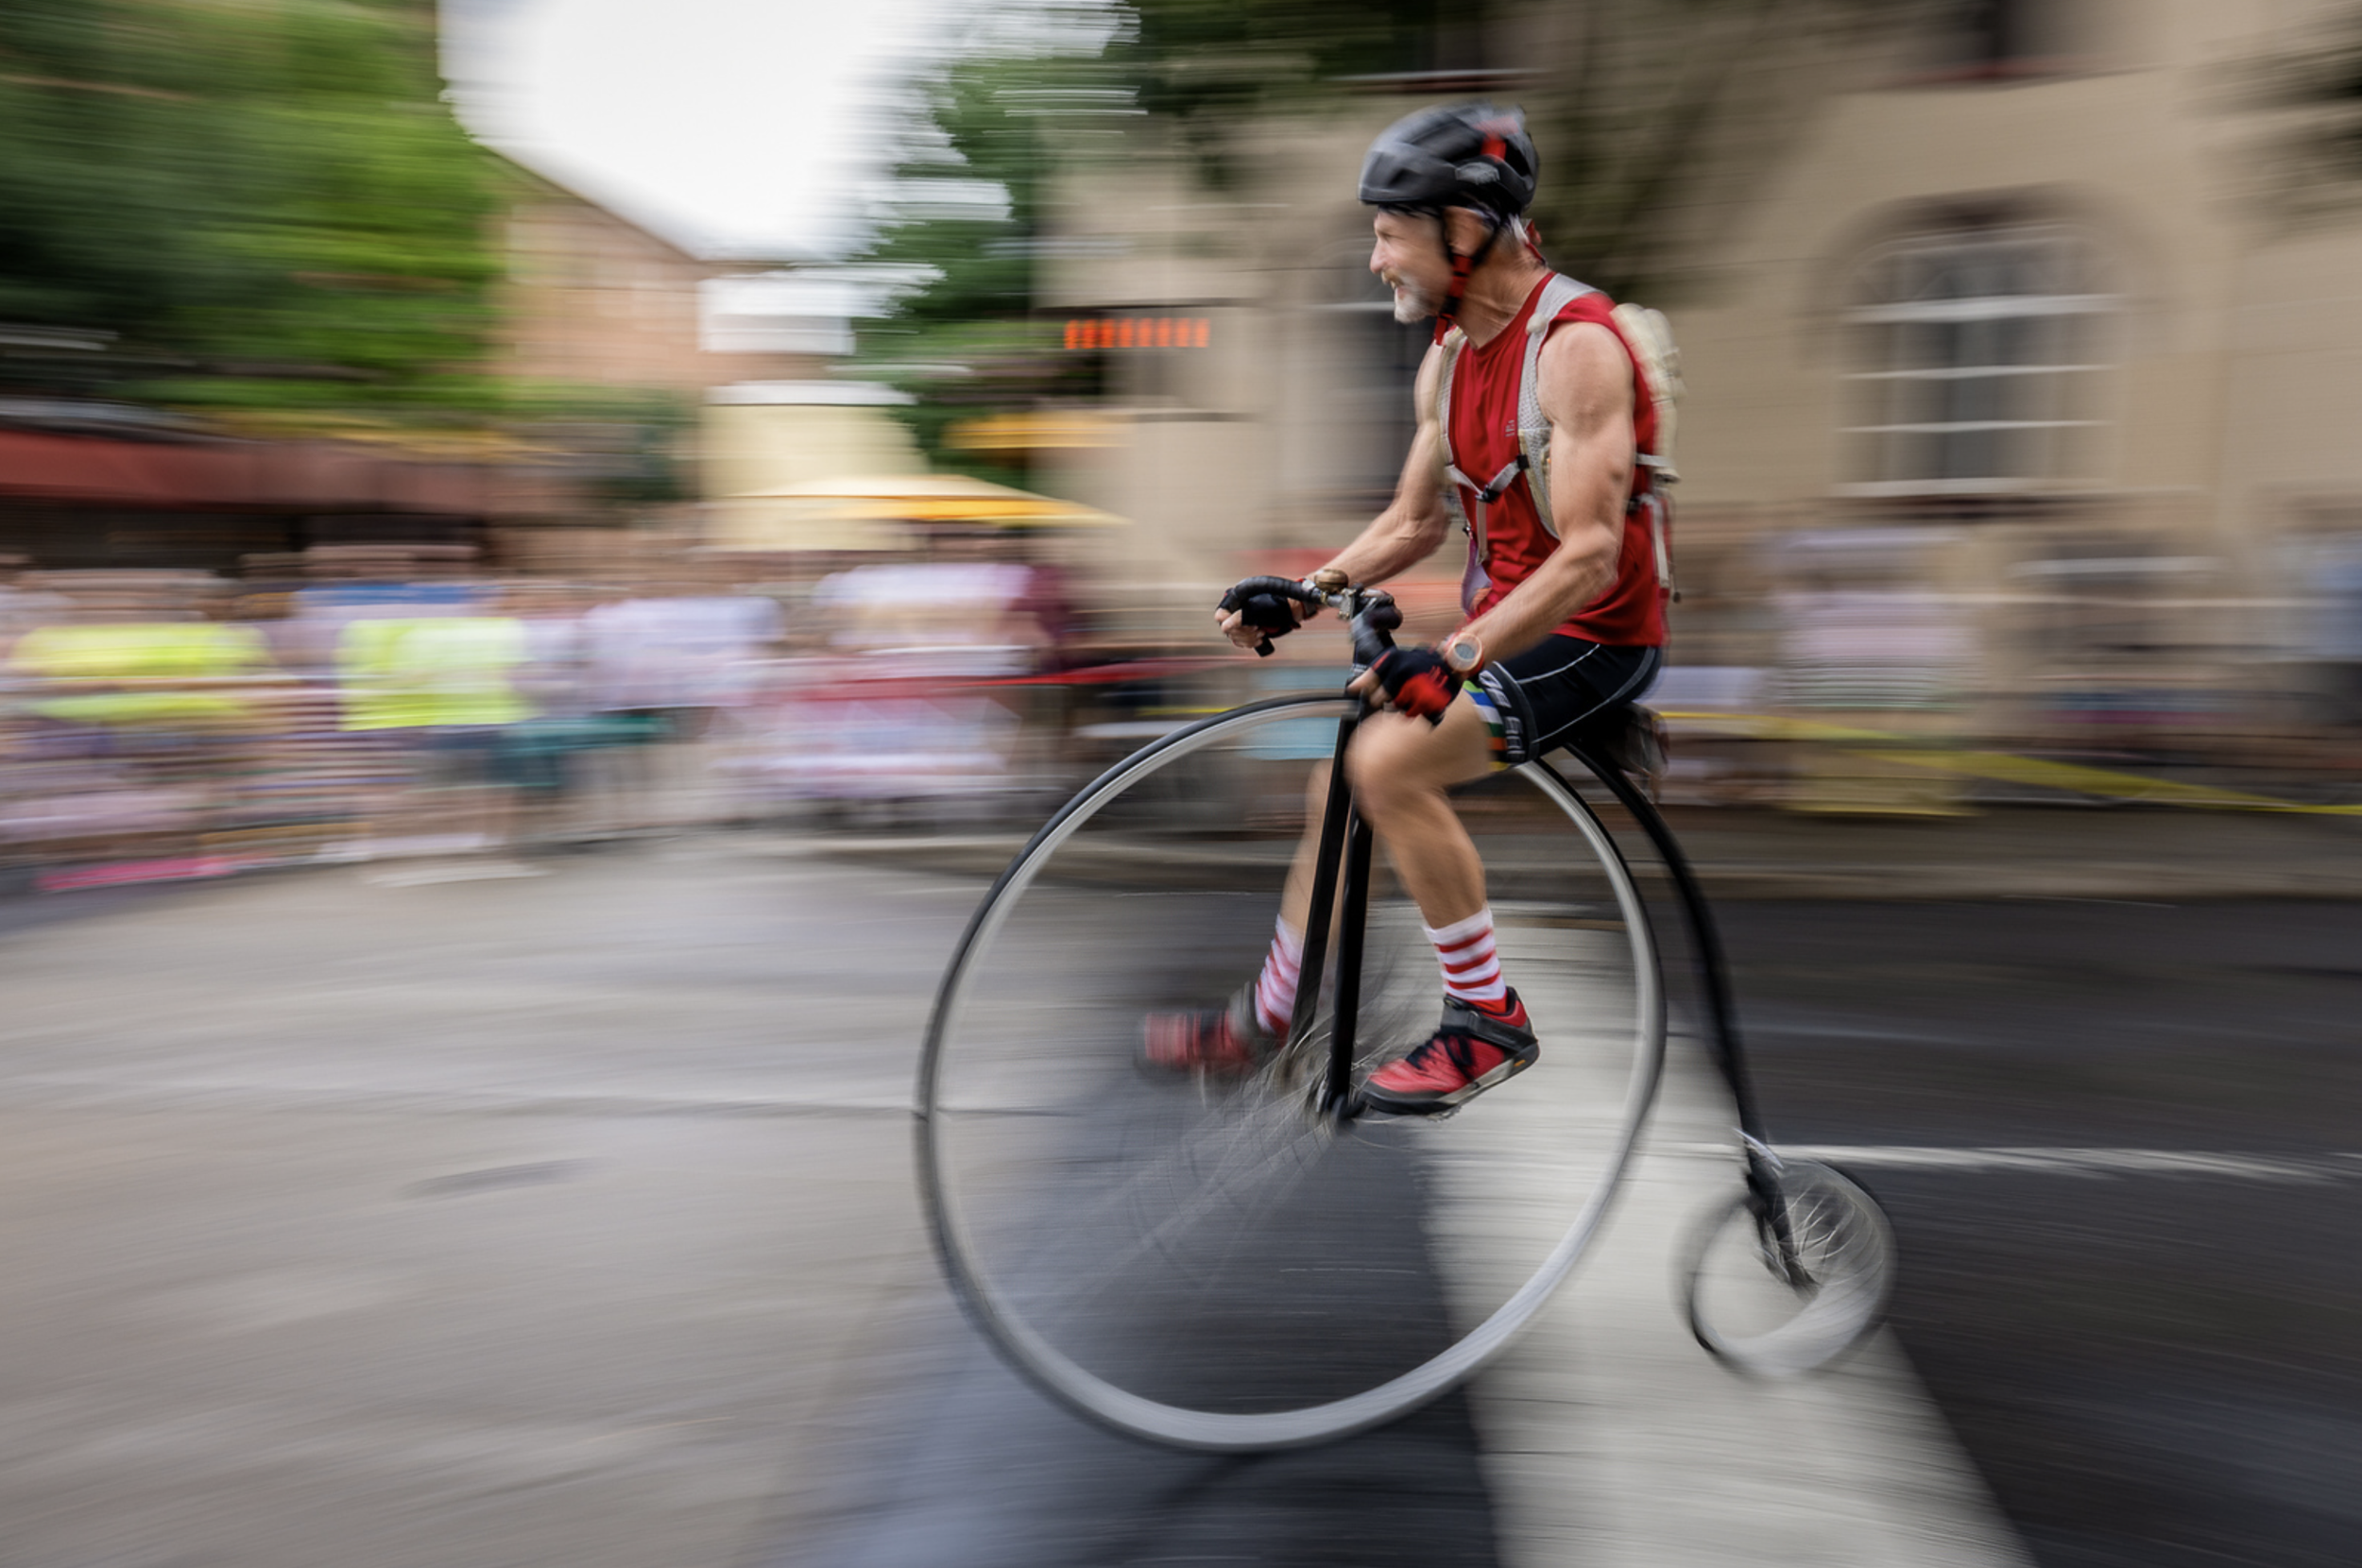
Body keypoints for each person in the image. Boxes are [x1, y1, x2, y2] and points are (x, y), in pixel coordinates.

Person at [1143, 102, 1669, 1115]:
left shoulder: (1577, 349)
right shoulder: (1448, 357)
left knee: (1386, 760)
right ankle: (1271, 1013)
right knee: (1340, 775)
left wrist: (1460, 656)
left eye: (1390, 233)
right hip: (1511, 622)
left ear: (1464, 230)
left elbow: (1595, 555)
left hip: (1593, 633)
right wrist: (1307, 591)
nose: (1375, 257)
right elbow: (1414, 520)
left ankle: (1487, 1018)